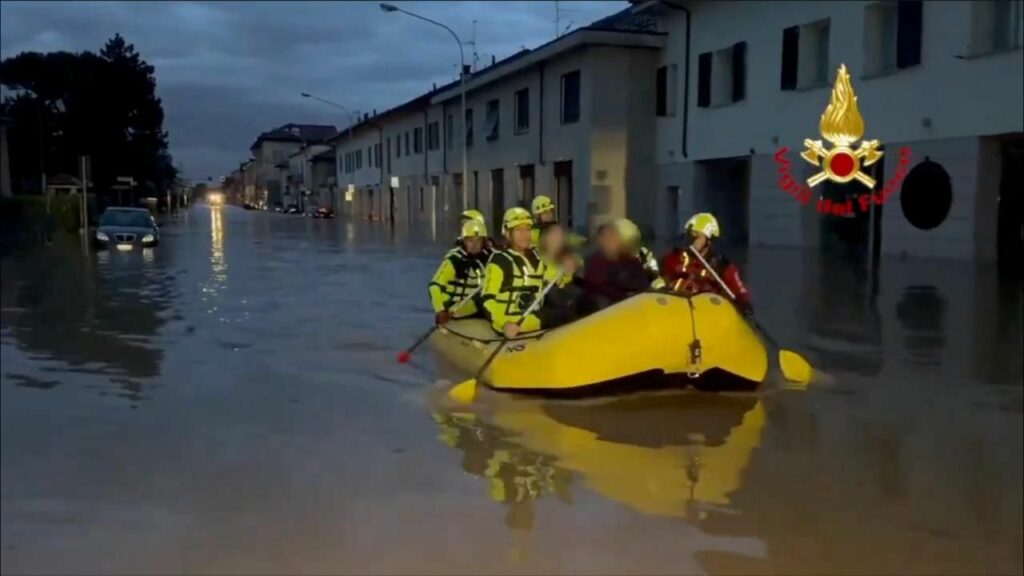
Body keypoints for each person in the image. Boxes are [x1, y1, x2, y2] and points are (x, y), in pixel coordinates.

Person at [481, 207, 579, 338]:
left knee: (574, 309)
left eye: (527, 229)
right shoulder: (499, 261)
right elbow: (487, 300)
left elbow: (556, 280)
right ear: (508, 234)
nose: (524, 234)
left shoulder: (538, 256)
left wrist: (567, 272)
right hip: (510, 323)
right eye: (518, 230)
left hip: (533, 318)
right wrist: (504, 325)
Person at [660, 212, 753, 315]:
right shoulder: (673, 258)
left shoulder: (722, 266)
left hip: (707, 315)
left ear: (709, 241)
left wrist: (744, 305)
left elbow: (740, 293)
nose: (690, 241)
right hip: (676, 310)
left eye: (696, 237)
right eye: (689, 236)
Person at [580, 221, 651, 313]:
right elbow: (595, 287)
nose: (612, 241)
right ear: (601, 240)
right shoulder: (595, 262)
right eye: (608, 238)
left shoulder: (630, 260)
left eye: (614, 236)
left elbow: (643, 285)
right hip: (608, 311)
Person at [429, 219, 489, 325]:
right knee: (481, 301)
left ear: (483, 242)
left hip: (474, 305)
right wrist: (440, 310)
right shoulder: (454, 260)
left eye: (478, 240)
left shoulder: (487, 257)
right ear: (463, 241)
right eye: (470, 240)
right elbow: (434, 286)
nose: (474, 245)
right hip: (454, 308)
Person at [614, 218, 666, 289]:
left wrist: (648, 270)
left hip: (642, 290)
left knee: (659, 283)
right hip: (621, 292)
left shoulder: (644, 253)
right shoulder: (612, 255)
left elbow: (654, 272)